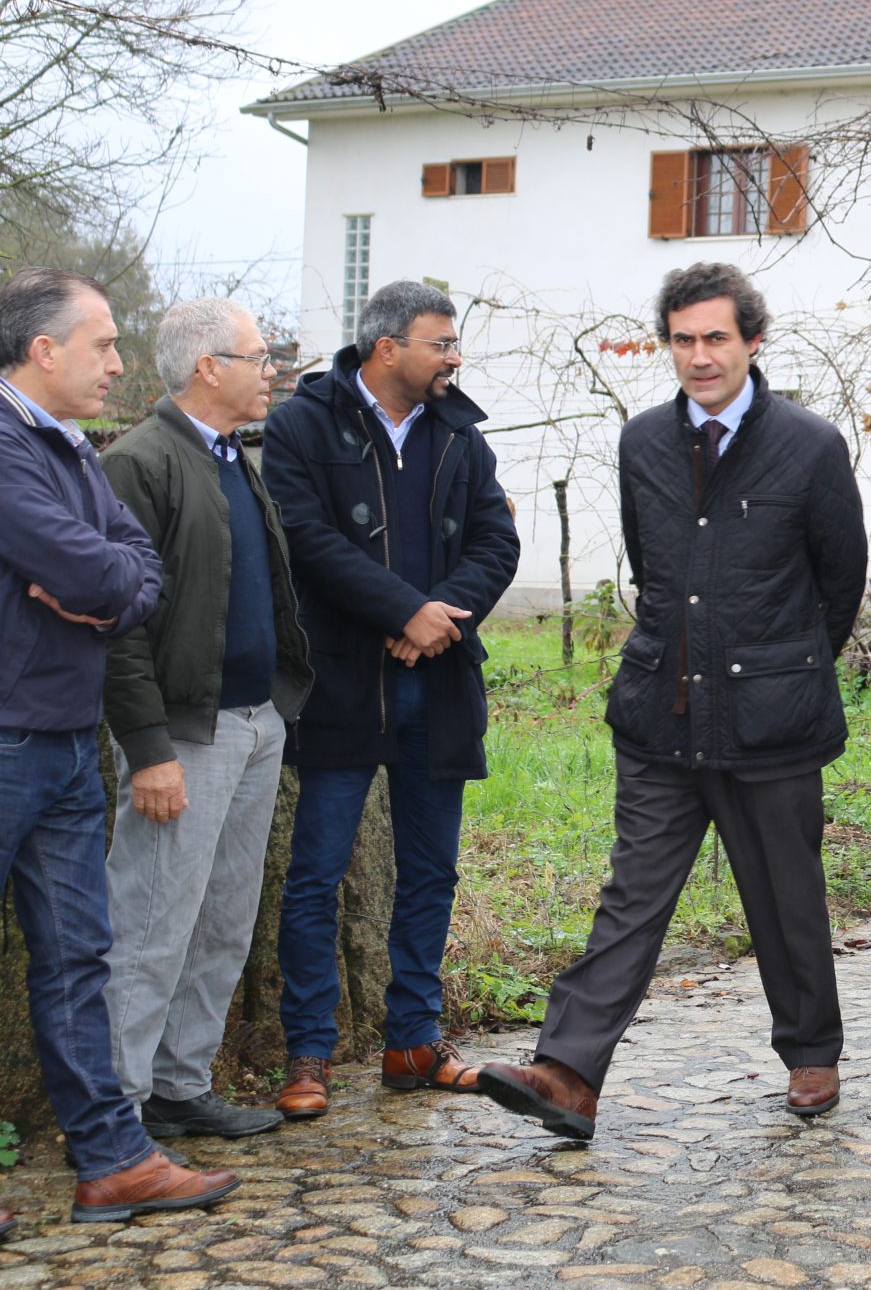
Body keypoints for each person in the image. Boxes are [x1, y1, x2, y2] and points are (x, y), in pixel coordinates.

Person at [479, 263, 867, 1137]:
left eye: (716, 338)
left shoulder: (809, 445)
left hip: (771, 720)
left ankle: (811, 1051)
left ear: (752, 342)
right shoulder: (643, 441)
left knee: (785, 893)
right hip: (662, 709)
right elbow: (655, 567)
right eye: (684, 339)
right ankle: (568, 1072)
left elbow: (837, 584)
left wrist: (779, 669)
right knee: (633, 893)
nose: (700, 356)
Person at [0, 267, 238, 1226]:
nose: (119, 362)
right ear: (43, 349)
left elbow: (133, 571)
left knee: (77, 957)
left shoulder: (64, 449)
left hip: (62, 741)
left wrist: (103, 586)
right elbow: (90, 565)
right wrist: (102, 580)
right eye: (102, 343)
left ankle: (112, 1160)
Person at [261, 280, 520, 1120]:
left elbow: (497, 538)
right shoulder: (305, 422)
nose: (455, 357)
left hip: (438, 683)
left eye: (454, 343)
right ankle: (309, 1052)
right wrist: (398, 608)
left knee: (431, 870)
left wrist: (436, 618)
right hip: (341, 681)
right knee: (317, 876)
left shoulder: (459, 432)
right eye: (440, 343)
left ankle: (412, 1038)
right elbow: (305, 537)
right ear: (386, 348)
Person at [99, 300, 314, 1143]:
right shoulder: (139, 462)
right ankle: (114, 1106)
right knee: (151, 921)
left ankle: (178, 1084)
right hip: (184, 735)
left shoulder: (233, 456)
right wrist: (148, 749)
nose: (273, 372)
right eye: (259, 357)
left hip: (257, 722)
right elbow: (118, 623)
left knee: (224, 918)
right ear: (206, 367)